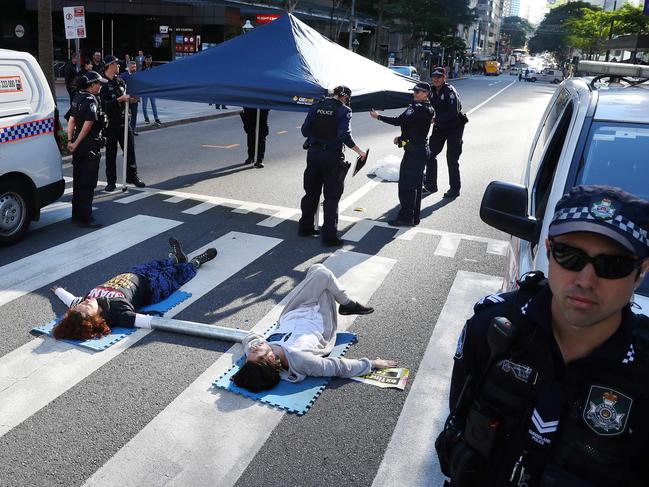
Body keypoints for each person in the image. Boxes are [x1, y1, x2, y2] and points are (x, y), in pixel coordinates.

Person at [437, 185, 649, 486]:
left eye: (611, 265)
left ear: (641, 272)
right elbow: (459, 422)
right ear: (549, 252)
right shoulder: (492, 328)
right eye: (568, 255)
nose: (586, 280)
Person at [232, 264, 394, 392]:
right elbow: (337, 367)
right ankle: (347, 304)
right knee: (321, 274)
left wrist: (253, 348)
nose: (253, 348)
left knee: (316, 270)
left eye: (249, 354)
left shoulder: (255, 355)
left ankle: (347, 304)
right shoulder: (301, 360)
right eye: (256, 352)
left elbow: (250, 337)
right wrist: (372, 364)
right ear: (272, 359)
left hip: (294, 309)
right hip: (319, 315)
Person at [50, 238, 218, 340]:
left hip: (133, 273)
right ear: (95, 318)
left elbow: (71, 300)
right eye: (86, 308)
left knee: (156, 264)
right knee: (178, 274)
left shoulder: (85, 301)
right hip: (153, 287)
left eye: (80, 306)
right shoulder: (117, 314)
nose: (85, 302)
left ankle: (176, 258)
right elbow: (146, 321)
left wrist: (57, 290)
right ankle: (195, 262)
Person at [298, 86, 367, 247]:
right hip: (331, 157)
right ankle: (329, 237)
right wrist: (360, 151)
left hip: (313, 154)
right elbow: (344, 134)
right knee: (331, 197)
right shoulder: (344, 111)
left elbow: (304, 131)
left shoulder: (315, 106)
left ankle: (305, 228)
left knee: (311, 192)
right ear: (345, 98)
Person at [370, 82, 434, 227]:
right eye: (414, 91)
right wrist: (401, 139)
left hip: (415, 152)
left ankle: (405, 218)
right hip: (418, 148)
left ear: (426, 94)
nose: (415, 94)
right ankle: (413, 217)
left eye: (418, 92)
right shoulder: (427, 107)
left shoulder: (418, 108)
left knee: (406, 186)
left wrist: (379, 117)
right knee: (416, 186)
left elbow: (399, 121)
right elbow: (415, 128)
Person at [66, 71, 107, 228]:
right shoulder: (91, 100)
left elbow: (71, 121)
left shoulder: (78, 97)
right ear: (92, 85)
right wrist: (76, 143)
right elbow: (87, 125)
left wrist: (71, 141)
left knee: (78, 180)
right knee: (88, 182)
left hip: (79, 145)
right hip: (88, 145)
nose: (100, 86)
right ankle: (86, 218)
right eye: (98, 83)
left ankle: (76, 215)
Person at [100, 54, 145, 191]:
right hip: (111, 123)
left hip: (124, 120)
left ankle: (132, 176)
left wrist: (132, 100)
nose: (118, 66)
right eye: (116, 64)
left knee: (129, 149)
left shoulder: (119, 81)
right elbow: (103, 105)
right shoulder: (102, 83)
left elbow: (126, 98)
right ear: (110, 65)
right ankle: (111, 181)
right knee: (111, 153)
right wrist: (120, 99)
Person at [424, 67, 467, 199]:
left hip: (455, 127)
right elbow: (421, 100)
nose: (436, 79)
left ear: (444, 78)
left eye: (439, 77)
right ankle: (431, 185)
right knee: (430, 154)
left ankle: (454, 189)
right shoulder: (431, 90)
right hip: (440, 127)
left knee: (452, 159)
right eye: (434, 76)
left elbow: (453, 112)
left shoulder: (450, 91)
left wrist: (435, 119)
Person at [141, 55, 161, 126]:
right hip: (144, 89)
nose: (149, 61)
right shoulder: (141, 68)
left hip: (152, 89)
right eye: (148, 60)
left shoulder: (153, 67)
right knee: (144, 105)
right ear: (145, 60)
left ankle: (156, 118)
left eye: (150, 60)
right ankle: (146, 118)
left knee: (153, 104)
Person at [120, 60, 140, 135]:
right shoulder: (123, 75)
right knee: (126, 116)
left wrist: (137, 98)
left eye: (135, 67)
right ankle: (126, 130)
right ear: (128, 67)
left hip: (135, 99)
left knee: (134, 116)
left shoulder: (137, 75)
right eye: (132, 67)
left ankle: (133, 130)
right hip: (126, 99)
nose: (134, 68)